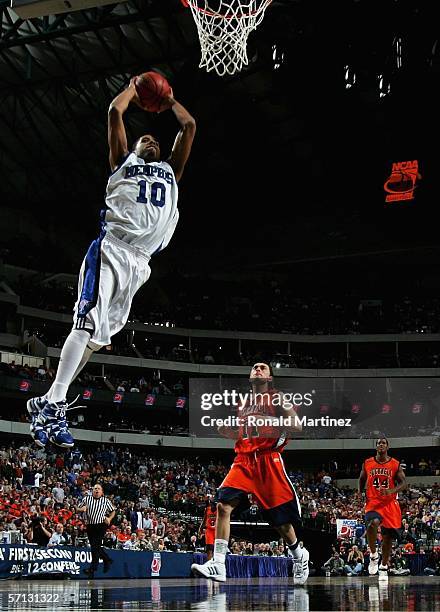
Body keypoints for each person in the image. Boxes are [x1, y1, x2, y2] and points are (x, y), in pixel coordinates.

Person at [26, 76, 196, 448]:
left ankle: (48, 401)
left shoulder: (171, 171)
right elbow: (115, 111)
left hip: (140, 264)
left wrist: (169, 100)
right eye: (143, 139)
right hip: (112, 249)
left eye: (155, 139)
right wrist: (136, 88)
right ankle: (53, 403)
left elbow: (189, 126)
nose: (151, 139)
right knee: (86, 324)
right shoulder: (122, 161)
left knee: (100, 337)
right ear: (132, 147)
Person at [191, 362, 309, 584]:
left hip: (267, 461)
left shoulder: (277, 397)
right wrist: (230, 432)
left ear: (270, 378)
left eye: (263, 367)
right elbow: (247, 433)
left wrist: (268, 419)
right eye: (254, 367)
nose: (257, 369)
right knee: (222, 505)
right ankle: (218, 564)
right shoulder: (244, 403)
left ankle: (298, 555)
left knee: (281, 523)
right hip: (243, 461)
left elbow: (297, 425)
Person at [358, 437, 406, 578]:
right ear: (376, 446)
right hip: (373, 502)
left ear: (387, 446)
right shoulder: (368, 463)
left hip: (389, 503)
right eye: (378, 443)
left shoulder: (395, 464)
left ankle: (384, 565)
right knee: (372, 524)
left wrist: (392, 491)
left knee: (387, 538)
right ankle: (373, 555)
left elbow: (403, 484)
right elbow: (361, 478)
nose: (380, 444)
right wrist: (360, 492)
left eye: (383, 443)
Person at [77, 483, 116, 577]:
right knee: (95, 547)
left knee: (95, 546)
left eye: (98, 488)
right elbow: (77, 508)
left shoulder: (105, 501)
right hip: (90, 525)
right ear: (92, 490)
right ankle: (107, 560)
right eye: (95, 488)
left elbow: (113, 511)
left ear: (102, 492)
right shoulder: (87, 499)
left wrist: (109, 519)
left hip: (101, 525)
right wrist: (81, 509)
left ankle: (92, 569)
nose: (96, 490)